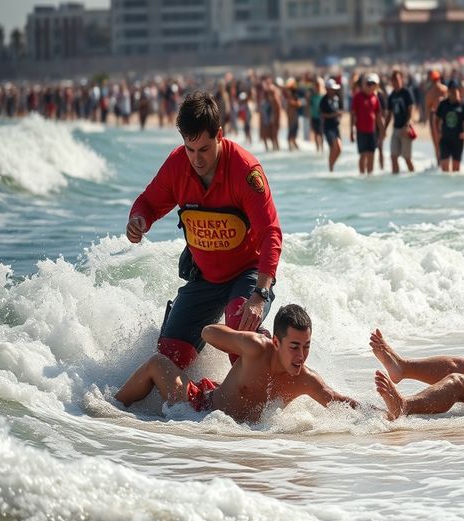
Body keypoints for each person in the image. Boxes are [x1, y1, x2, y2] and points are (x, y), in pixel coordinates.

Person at [126, 91, 283, 370]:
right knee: (170, 357)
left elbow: (271, 233)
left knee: (239, 335)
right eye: (190, 149)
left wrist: (260, 295)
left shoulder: (245, 171)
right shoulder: (177, 164)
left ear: (219, 135)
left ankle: (268, 363)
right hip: (205, 277)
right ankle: (193, 410)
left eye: (204, 149)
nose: (196, 159)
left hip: (246, 274)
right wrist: (139, 220)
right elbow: (148, 203)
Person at [116, 304, 357, 423]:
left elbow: (339, 401)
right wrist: (241, 338)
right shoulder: (256, 347)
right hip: (201, 409)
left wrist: (392, 412)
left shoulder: (305, 379)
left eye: (306, 346)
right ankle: (110, 410)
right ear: (276, 341)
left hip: (233, 432)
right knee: (158, 363)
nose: (301, 356)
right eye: (294, 346)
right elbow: (208, 332)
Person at [435, 80, 464, 172]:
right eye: (451, 90)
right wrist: (438, 133)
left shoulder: (462, 105)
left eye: (455, 90)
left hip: (458, 140)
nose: (454, 92)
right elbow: (436, 119)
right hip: (445, 139)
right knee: (445, 169)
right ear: (448, 91)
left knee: (456, 169)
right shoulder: (443, 104)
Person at [384, 69, 415, 174]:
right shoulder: (392, 95)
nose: (396, 83)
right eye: (394, 80)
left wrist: (407, 125)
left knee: (407, 158)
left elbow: (411, 110)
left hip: (405, 128)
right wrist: (384, 129)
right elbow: (389, 114)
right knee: (393, 156)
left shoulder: (406, 92)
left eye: (397, 80)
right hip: (396, 128)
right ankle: (395, 179)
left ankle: (413, 177)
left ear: (401, 80)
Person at [350, 73, 382, 175]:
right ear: (363, 84)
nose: (369, 86)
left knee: (372, 155)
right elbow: (353, 115)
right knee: (363, 155)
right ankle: (362, 175)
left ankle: (370, 175)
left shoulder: (375, 98)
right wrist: (352, 131)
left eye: (371, 84)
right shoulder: (357, 97)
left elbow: (378, 116)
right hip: (361, 131)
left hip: (372, 131)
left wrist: (382, 131)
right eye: (368, 84)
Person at [320, 78, 343, 171]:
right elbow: (322, 115)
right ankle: (331, 168)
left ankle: (332, 165)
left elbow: (340, 109)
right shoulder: (323, 101)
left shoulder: (337, 98)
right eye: (331, 89)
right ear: (327, 89)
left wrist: (339, 116)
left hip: (336, 127)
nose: (333, 91)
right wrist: (334, 115)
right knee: (333, 147)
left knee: (339, 148)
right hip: (328, 127)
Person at [425, 70, 448, 163]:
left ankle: (440, 162)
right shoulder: (444, 89)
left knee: (437, 143)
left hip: (436, 117)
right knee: (441, 141)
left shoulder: (431, 92)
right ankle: (441, 162)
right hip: (441, 116)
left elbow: (428, 109)